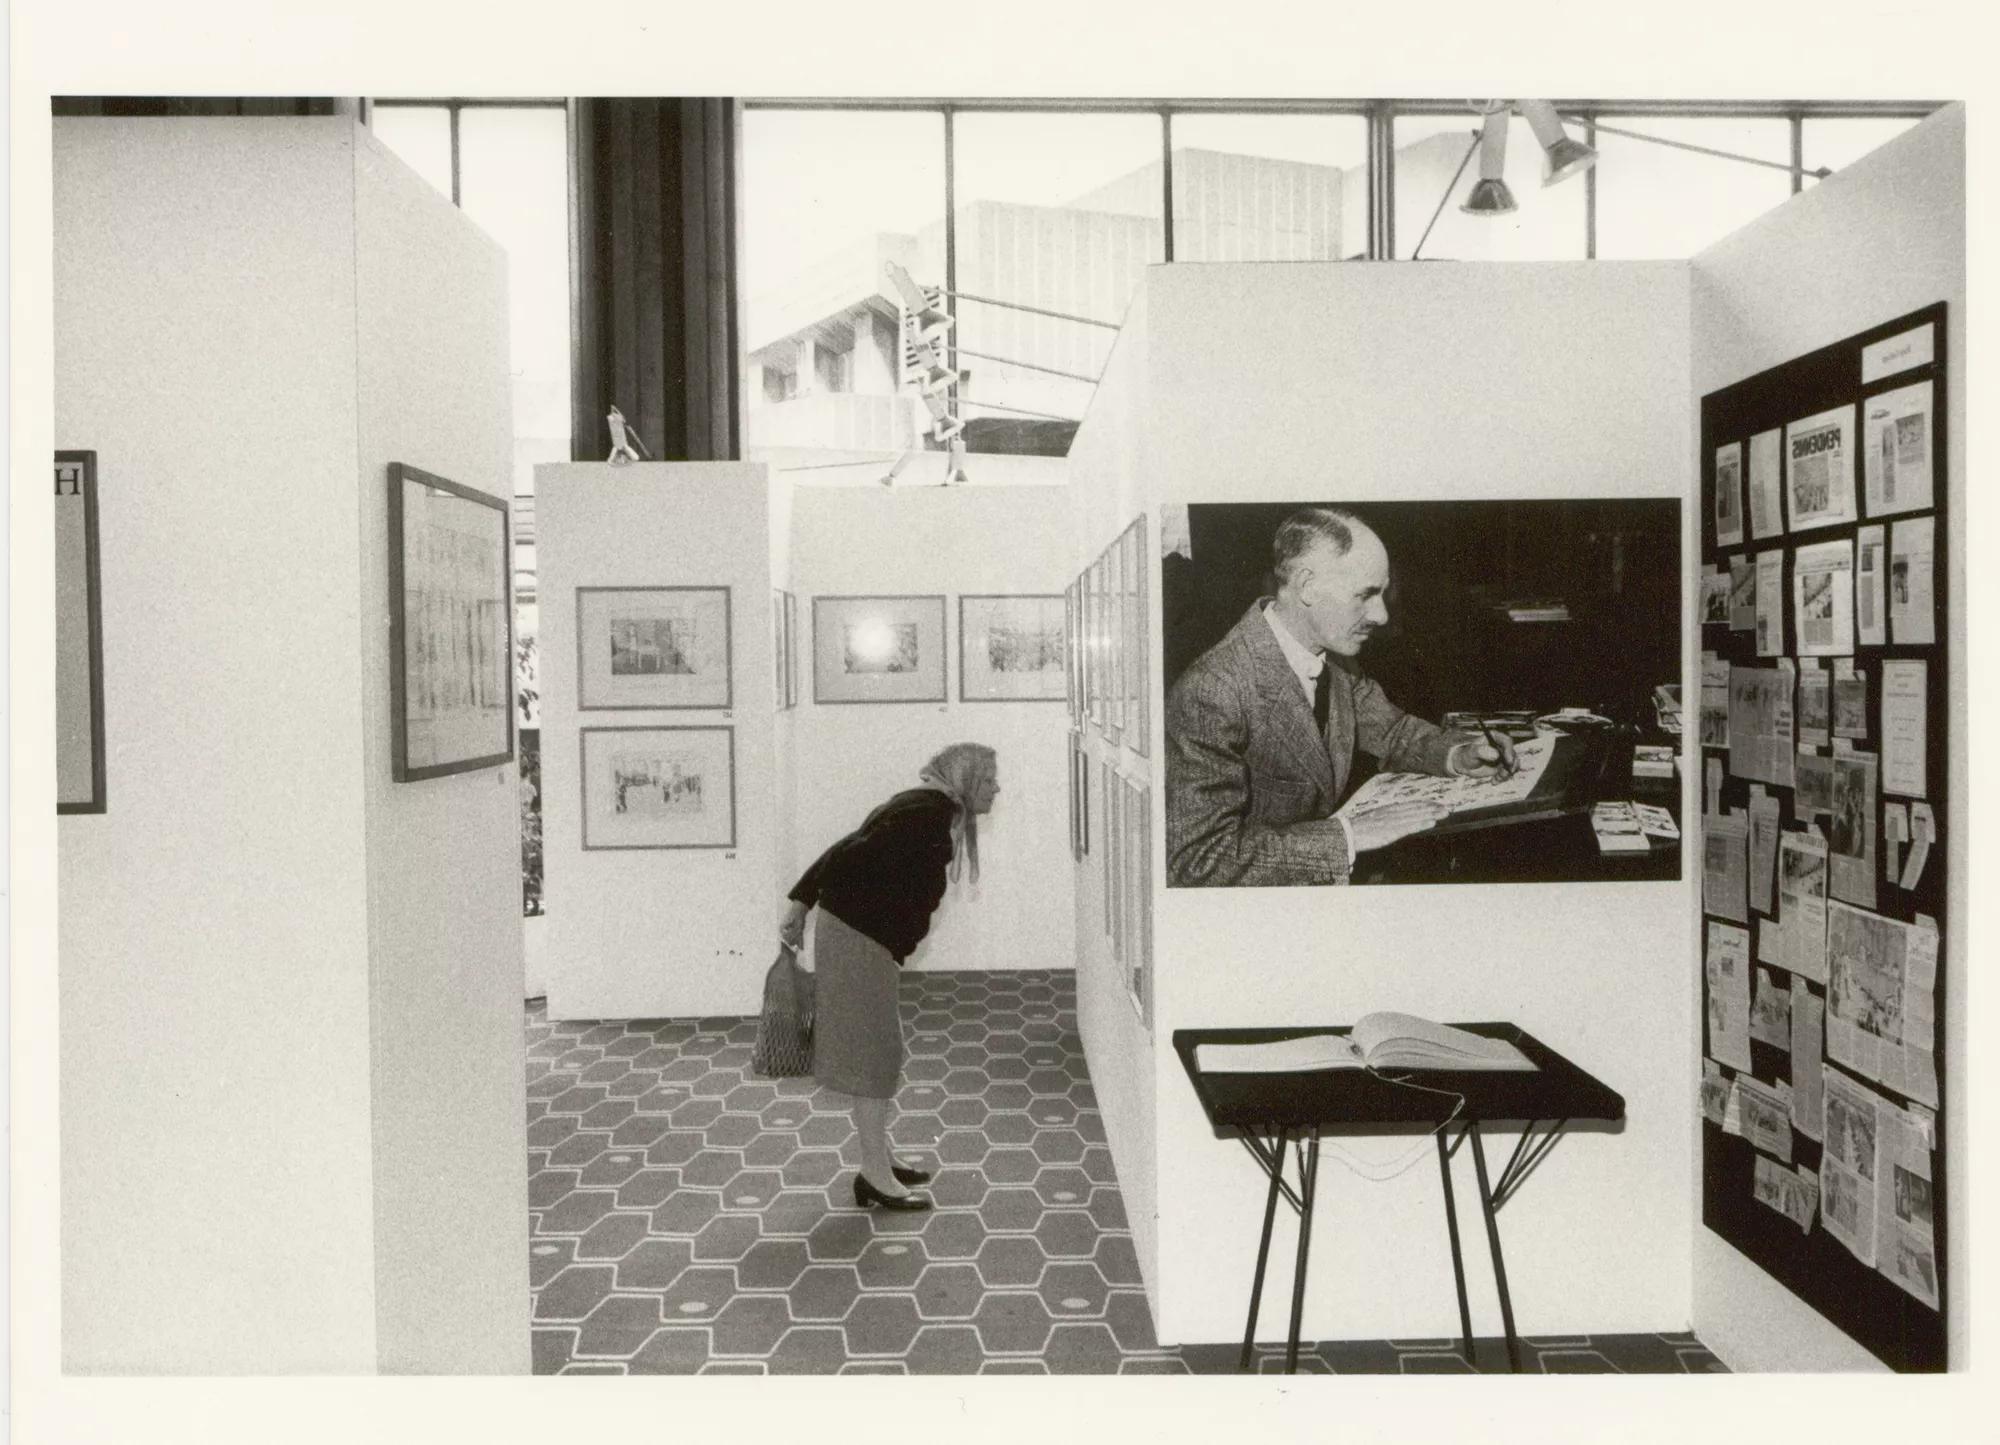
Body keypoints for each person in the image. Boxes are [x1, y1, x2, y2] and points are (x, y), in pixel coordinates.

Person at [1165, 506, 1515, 887]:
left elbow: (1393, 731)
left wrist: (1457, 755)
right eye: (1365, 595)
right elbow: (1198, 860)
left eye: (1381, 594)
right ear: (1307, 586)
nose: (1381, 616)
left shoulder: (1335, 660)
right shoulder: (1212, 690)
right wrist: (1349, 836)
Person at [779, 742, 1001, 1211]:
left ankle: (880, 1159)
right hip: (858, 940)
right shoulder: (926, 813)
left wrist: (802, 901)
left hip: (863, 939)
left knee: (880, 1049)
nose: (997, 788)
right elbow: (847, 855)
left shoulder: (929, 806)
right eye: (988, 780)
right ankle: (875, 1176)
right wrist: (804, 905)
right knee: (873, 1056)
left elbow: (846, 845)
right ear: (964, 781)